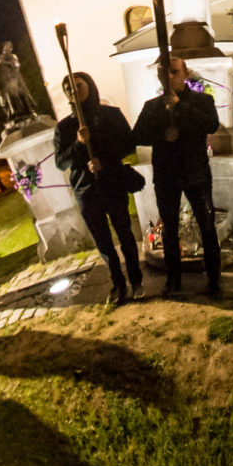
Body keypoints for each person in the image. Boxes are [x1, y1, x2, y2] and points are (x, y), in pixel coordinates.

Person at [130, 57, 223, 296]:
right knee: (169, 229)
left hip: (195, 173)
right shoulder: (152, 106)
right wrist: (162, 134)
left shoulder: (202, 100)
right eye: (165, 73)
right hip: (166, 175)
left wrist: (180, 107)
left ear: (185, 74)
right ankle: (173, 278)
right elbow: (137, 135)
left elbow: (211, 125)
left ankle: (214, 276)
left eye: (174, 72)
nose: (170, 77)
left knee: (207, 225)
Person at [53, 71, 144, 306]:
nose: (74, 91)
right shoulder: (64, 127)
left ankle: (136, 280)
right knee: (103, 241)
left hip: (112, 183)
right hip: (86, 191)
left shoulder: (110, 115)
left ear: (90, 86)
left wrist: (104, 159)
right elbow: (61, 162)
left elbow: (128, 144)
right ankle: (118, 283)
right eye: (69, 89)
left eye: (78, 85)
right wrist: (78, 143)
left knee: (125, 233)